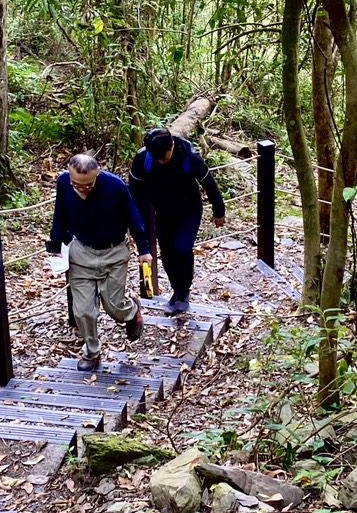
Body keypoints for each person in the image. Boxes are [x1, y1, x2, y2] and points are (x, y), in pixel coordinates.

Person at [46, 154, 147, 369]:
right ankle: (92, 352)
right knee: (83, 311)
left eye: (88, 185)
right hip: (81, 252)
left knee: (114, 306)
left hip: (114, 252)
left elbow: (134, 217)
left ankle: (131, 311)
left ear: (98, 174)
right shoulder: (63, 183)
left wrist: (144, 250)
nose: (82, 189)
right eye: (77, 184)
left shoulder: (115, 186)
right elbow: (59, 214)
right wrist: (55, 246)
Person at [128, 127, 226, 313]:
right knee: (166, 253)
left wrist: (219, 212)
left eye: (163, 156)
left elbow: (209, 184)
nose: (160, 161)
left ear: (171, 145)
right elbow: (134, 192)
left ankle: (183, 292)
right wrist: (138, 223)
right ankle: (177, 291)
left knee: (181, 249)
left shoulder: (189, 156)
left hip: (189, 210)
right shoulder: (143, 160)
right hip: (161, 211)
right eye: (156, 157)